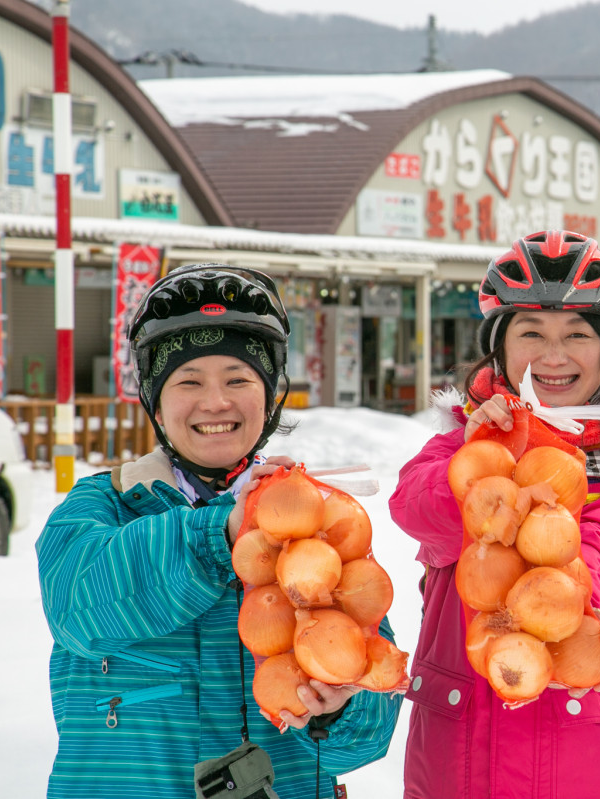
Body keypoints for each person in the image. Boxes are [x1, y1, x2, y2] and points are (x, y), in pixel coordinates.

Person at [36, 263, 402, 799]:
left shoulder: (319, 528)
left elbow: (365, 740)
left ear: (270, 396)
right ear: (156, 402)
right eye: (188, 381)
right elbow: (78, 610)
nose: (215, 402)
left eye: (238, 379)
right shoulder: (103, 506)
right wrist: (222, 533)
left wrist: (343, 706)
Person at [388, 230, 600, 798]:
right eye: (531, 332)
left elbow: (587, 574)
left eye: (578, 335)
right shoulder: (460, 444)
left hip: (591, 767)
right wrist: (486, 450)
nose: (554, 355)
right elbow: (416, 508)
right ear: (501, 349)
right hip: (459, 768)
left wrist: (531, 504)